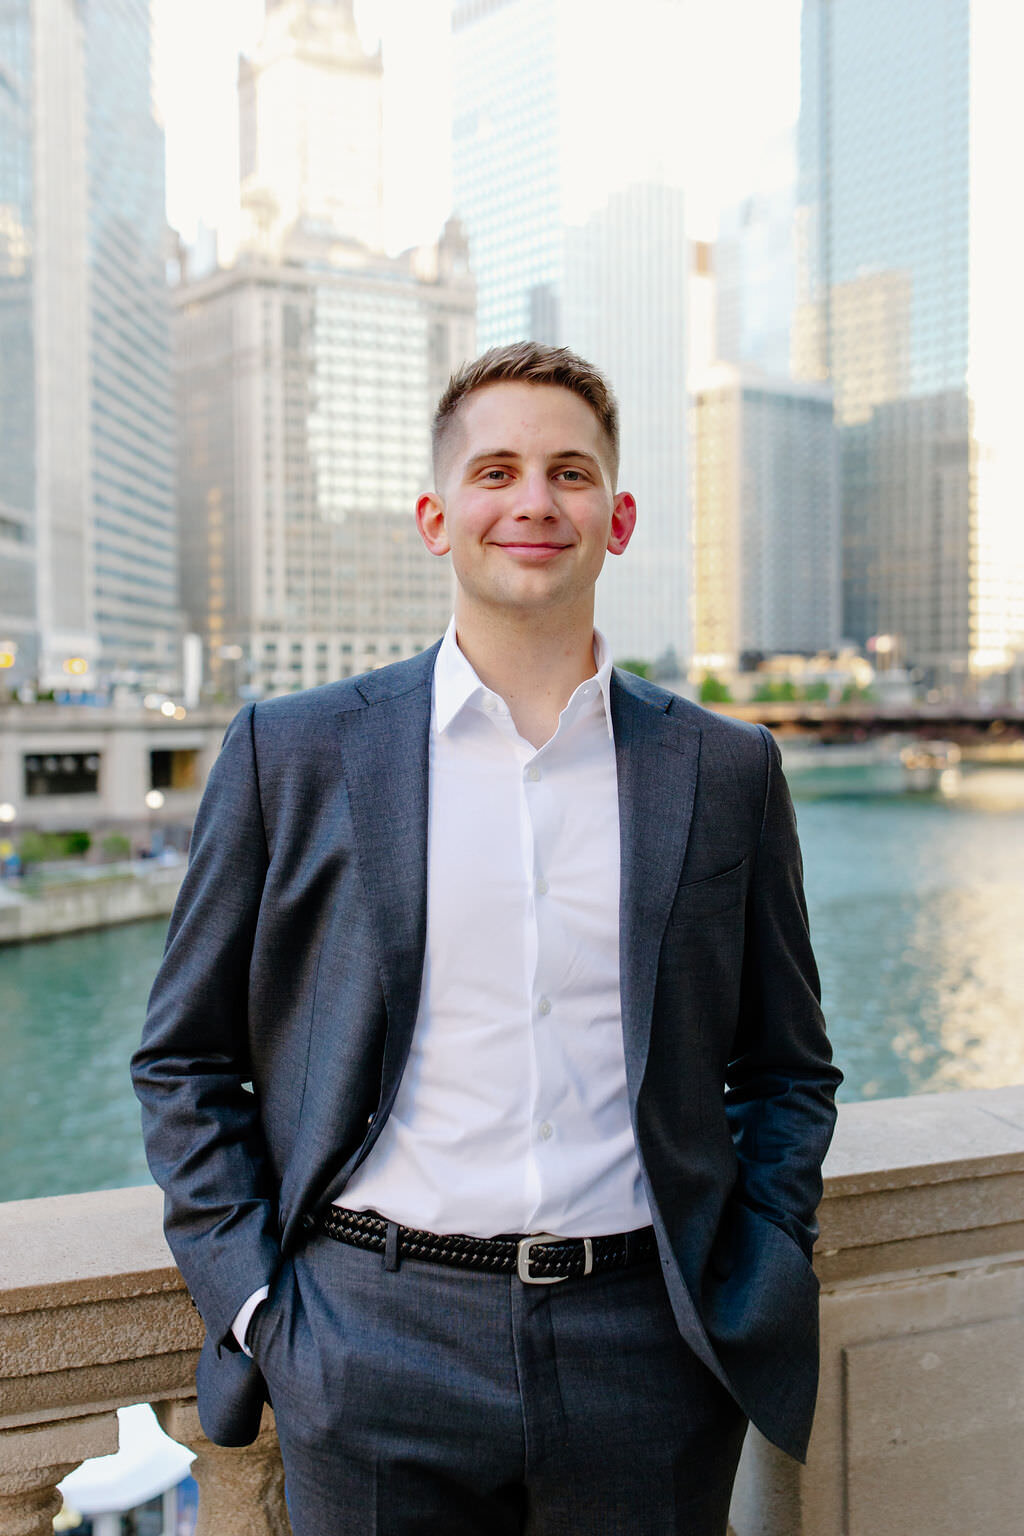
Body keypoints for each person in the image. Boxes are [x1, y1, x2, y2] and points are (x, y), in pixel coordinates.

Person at [132, 343, 841, 1535]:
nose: (532, 501)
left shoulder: (725, 770)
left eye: (569, 474)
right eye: (496, 470)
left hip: (648, 1349)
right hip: (367, 1343)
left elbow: (785, 1068)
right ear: (435, 515)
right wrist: (264, 1309)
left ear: (615, 519)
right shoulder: (290, 753)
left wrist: (755, 1260)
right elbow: (184, 1061)